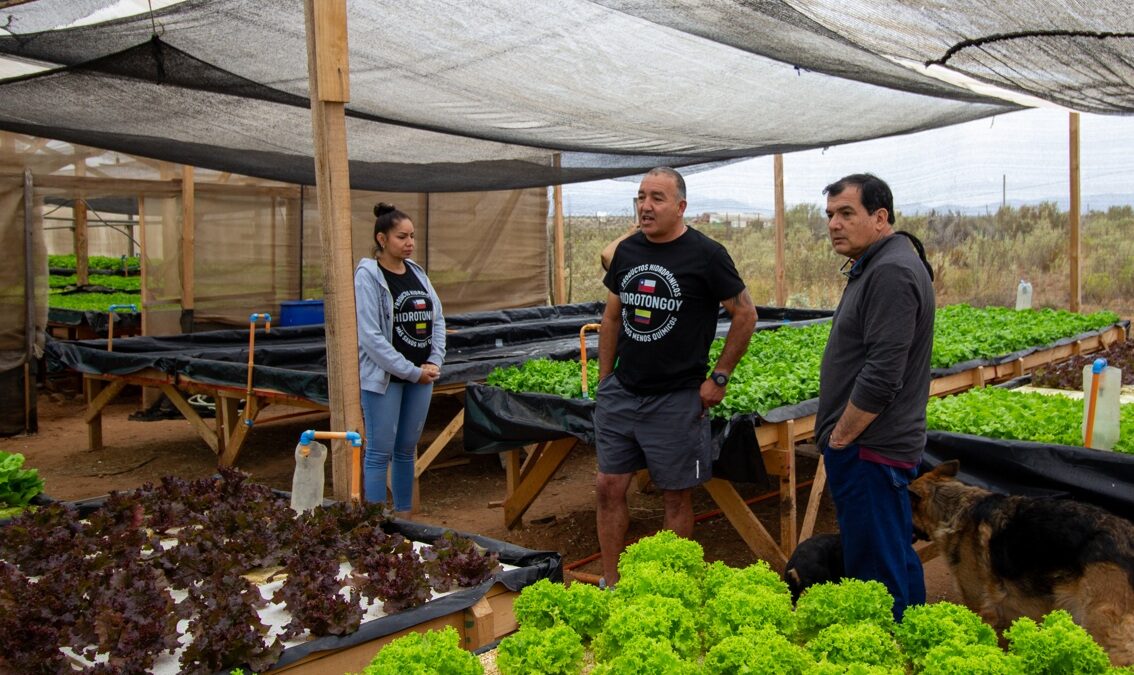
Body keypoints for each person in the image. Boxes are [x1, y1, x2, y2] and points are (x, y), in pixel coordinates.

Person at [594, 167, 757, 587]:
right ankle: (611, 583)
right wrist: (605, 379)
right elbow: (612, 317)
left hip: (677, 397)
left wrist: (718, 379)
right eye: (641, 197)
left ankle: (669, 586)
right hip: (622, 396)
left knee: (675, 495)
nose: (646, 206)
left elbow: (745, 314)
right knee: (609, 488)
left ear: (681, 206)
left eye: (657, 198)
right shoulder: (628, 252)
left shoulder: (706, 255)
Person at [816, 173, 935, 620]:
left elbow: (884, 373)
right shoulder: (884, 263)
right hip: (875, 446)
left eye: (847, 213)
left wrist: (842, 437)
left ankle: (889, 649)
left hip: (870, 447)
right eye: (830, 215)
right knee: (892, 552)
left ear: (880, 217)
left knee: (875, 571)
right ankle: (913, 637)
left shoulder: (890, 272)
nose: (834, 224)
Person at [355, 202, 446, 518]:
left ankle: (404, 517)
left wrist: (434, 359)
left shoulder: (417, 273)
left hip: (421, 376)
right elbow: (370, 336)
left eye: (411, 237)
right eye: (401, 237)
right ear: (382, 239)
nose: (409, 243)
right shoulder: (369, 276)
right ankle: (376, 523)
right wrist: (409, 371)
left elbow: (437, 318)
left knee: (406, 449)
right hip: (386, 378)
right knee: (380, 450)